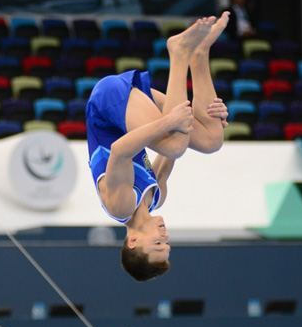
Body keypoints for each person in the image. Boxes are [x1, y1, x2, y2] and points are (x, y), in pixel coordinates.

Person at [86, 15, 229, 282]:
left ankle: (179, 52)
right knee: (211, 140)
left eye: (157, 244)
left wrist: (169, 122)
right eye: (167, 245)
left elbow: (119, 151)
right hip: (131, 114)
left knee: (174, 142)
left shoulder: (120, 206)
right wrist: (210, 118)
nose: (165, 237)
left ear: (133, 241)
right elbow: (176, 144)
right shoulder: (156, 197)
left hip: (106, 106)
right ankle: (199, 56)